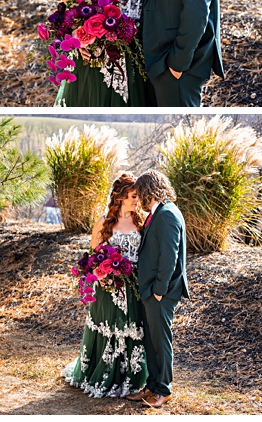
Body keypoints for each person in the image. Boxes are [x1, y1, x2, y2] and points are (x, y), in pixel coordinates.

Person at [61, 174, 148, 398]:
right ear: (120, 197)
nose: (137, 201)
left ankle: (132, 376)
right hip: (109, 286)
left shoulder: (142, 221)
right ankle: (104, 372)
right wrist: (103, 275)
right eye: (133, 196)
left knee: (132, 329)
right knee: (108, 328)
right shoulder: (104, 222)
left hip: (134, 286)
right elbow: (93, 255)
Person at [126, 169, 188, 409]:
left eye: (139, 194)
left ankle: (163, 390)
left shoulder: (168, 214)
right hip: (151, 290)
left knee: (161, 341)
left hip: (161, 292)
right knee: (151, 341)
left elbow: (169, 257)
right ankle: (151, 386)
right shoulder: (159, 212)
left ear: (147, 191)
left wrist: (159, 290)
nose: (138, 200)